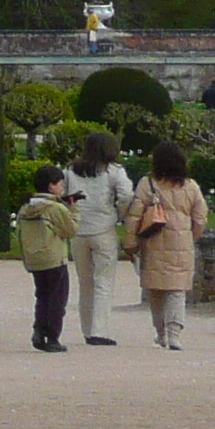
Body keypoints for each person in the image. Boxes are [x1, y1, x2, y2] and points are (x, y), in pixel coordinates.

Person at [124, 144, 210, 350]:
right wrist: (191, 237)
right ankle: (174, 334)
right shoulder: (191, 186)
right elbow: (200, 217)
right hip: (181, 243)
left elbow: (135, 215)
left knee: (156, 291)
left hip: (153, 241)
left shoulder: (148, 184)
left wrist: (130, 242)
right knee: (177, 291)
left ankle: (160, 333)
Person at [66, 130, 139, 346]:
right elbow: (127, 194)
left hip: (78, 231)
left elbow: (64, 196)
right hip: (103, 230)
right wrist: (119, 213)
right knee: (103, 282)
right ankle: (99, 330)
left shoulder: (71, 170)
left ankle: (87, 329)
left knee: (85, 282)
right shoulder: (113, 171)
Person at [16, 164, 78, 353]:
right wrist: (74, 210)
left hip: (34, 259)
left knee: (42, 296)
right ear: (51, 186)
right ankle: (52, 337)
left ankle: (38, 330)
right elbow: (70, 230)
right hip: (53, 258)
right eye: (60, 185)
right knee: (57, 299)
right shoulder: (55, 208)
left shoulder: (26, 208)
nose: (62, 189)